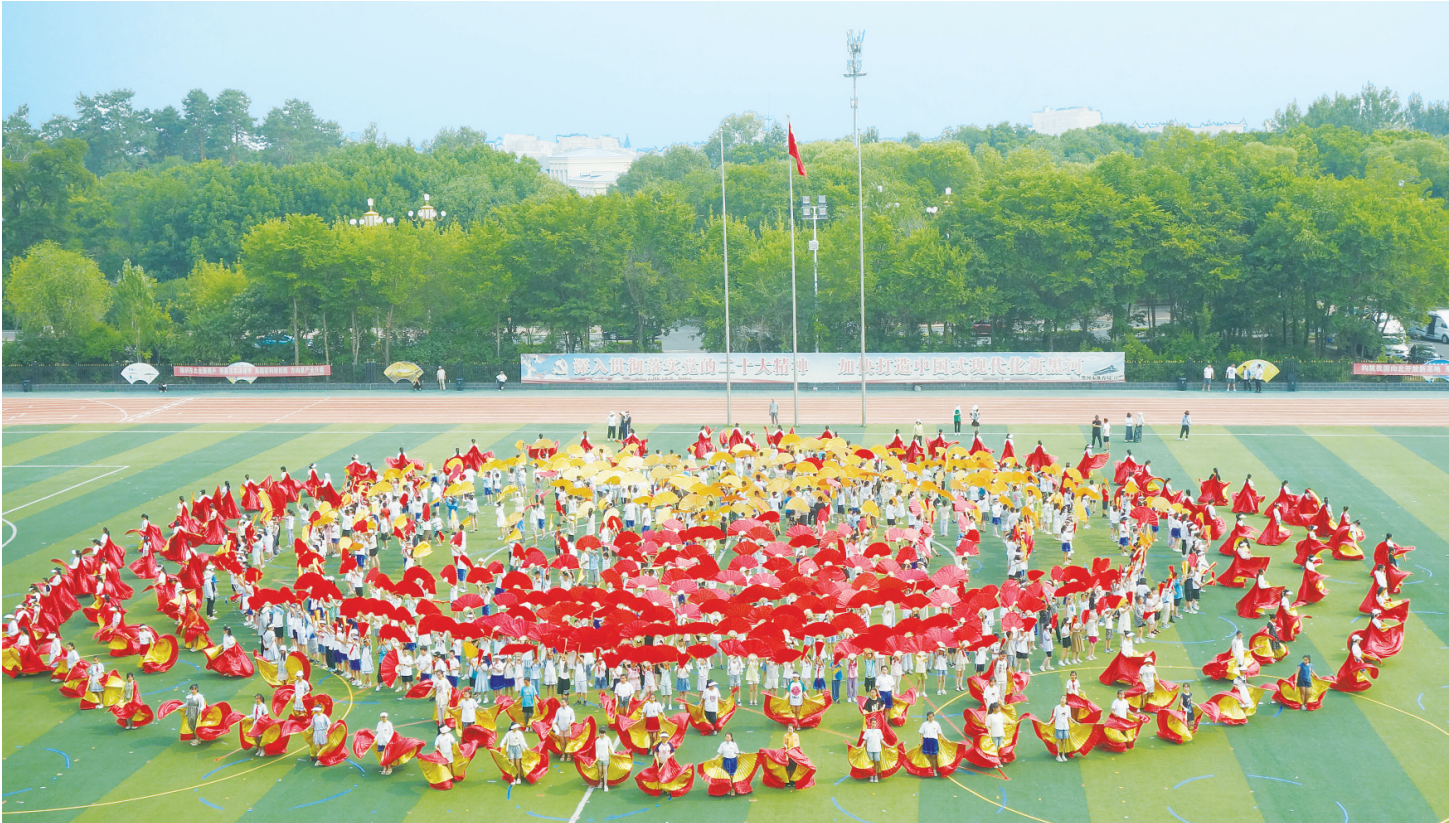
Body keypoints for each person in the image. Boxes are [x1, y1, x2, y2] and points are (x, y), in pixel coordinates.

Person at [919, 711, 943, 776]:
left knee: (933, 756)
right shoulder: (924, 724)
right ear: (927, 717)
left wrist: (945, 739)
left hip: (934, 741)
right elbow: (921, 733)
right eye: (929, 717)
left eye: (932, 717)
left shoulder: (936, 724)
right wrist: (920, 740)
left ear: (933, 717)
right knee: (927, 756)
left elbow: (940, 733)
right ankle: (927, 770)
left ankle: (934, 770)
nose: (930, 718)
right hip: (926, 740)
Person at [1051, 694, 1073, 762]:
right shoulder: (1057, 707)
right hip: (1058, 726)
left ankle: (1063, 754)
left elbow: (1069, 717)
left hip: (1065, 726)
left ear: (1066, 701)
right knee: (1058, 741)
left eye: (1064, 699)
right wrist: (1049, 723)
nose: (1062, 700)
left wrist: (1075, 722)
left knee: (1064, 741)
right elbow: (1054, 717)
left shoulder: (1068, 708)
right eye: (1061, 699)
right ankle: (1058, 755)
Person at [862, 717, 885, 782]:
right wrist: (861, 746)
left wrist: (887, 745)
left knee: (876, 762)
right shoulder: (867, 731)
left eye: (875, 723)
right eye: (872, 723)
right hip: (870, 749)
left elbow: (881, 740)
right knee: (871, 763)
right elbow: (865, 740)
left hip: (877, 749)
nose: (874, 724)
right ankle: (871, 776)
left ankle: (876, 776)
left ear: (876, 724)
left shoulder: (879, 731)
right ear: (870, 724)